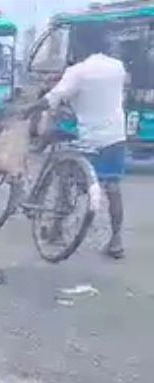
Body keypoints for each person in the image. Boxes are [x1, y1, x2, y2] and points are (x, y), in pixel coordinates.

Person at [22, 23, 127, 258]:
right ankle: (117, 240)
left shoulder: (78, 71)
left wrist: (29, 109)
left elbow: (52, 99)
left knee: (63, 173)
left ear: (79, 44)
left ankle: (57, 229)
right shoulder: (117, 67)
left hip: (89, 137)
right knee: (113, 187)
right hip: (115, 136)